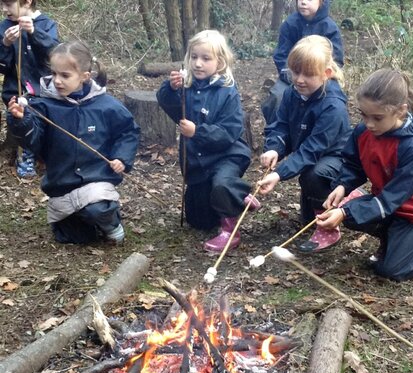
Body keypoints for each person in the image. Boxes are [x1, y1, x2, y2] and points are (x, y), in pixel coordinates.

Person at [316, 68, 413, 281]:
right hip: (388, 206)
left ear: (400, 111)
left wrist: (345, 212)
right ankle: (394, 239)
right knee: (351, 214)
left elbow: (392, 198)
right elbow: (354, 164)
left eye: (377, 117)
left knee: (392, 272)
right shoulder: (364, 132)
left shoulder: (412, 147)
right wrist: (342, 186)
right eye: (364, 115)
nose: (369, 123)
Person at [7, 40, 140, 245]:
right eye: (54, 74)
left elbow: (128, 131)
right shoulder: (43, 106)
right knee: (75, 238)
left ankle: (110, 222)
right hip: (62, 182)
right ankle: (82, 220)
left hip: (97, 178)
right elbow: (32, 138)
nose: (57, 81)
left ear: (84, 77)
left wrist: (121, 157)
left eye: (65, 75)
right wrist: (20, 120)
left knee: (97, 210)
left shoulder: (106, 105)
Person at [157, 29, 256, 252]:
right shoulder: (187, 86)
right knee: (199, 221)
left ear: (220, 62)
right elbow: (169, 105)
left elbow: (229, 132)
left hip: (226, 156)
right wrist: (170, 89)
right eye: (194, 57)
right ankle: (236, 198)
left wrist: (197, 132)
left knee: (222, 185)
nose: (198, 64)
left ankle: (231, 229)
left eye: (206, 58)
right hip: (199, 162)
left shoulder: (227, 92)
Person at [257, 35, 353, 252]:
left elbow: (312, 150)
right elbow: (281, 125)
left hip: (336, 161)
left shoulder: (333, 107)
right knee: (307, 218)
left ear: (326, 74)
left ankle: (330, 227)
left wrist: (279, 174)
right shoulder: (293, 93)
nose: (299, 79)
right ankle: (324, 209)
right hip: (310, 156)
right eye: (295, 72)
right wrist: (275, 147)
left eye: (308, 74)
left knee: (313, 175)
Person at [0, 0, 59, 177]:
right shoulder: (4, 27)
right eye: (2, 4)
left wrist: (34, 32)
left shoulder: (46, 24)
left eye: (9, 4)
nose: (4, 9)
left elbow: (55, 55)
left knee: (49, 119)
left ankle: (47, 153)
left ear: (27, 2)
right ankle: (26, 152)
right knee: (20, 116)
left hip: (44, 88)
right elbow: (2, 67)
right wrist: (5, 44)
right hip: (15, 90)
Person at [262, 0, 344, 126]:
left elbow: (336, 60)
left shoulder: (330, 28)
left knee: (329, 102)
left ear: (321, 2)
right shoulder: (289, 24)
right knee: (276, 98)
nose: (303, 2)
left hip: (321, 77)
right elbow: (281, 55)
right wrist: (291, 76)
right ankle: (278, 136)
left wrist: (319, 77)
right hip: (291, 75)